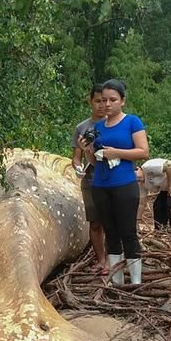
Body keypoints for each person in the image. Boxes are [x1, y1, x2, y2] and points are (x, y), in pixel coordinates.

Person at [79, 79, 149, 284]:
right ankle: (117, 280)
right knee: (110, 232)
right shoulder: (99, 126)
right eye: (103, 100)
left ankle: (136, 281)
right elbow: (94, 161)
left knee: (128, 231)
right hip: (100, 184)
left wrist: (116, 152)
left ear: (122, 101)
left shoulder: (132, 122)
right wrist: (87, 150)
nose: (107, 104)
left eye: (112, 100)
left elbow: (143, 151)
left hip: (124, 183)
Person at [71, 84, 108, 274]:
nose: (102, 105)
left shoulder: (115, 123)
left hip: (112, 176)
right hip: (92, 176)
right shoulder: (82, 127)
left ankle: (113, 259)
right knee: (95, 222)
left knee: (113, 220)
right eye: (98, 101)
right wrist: (78, 168)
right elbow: (76, 157)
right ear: (90, 101)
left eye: (106, 101)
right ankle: (101, 260)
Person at [140, 158, 171, 230]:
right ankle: (160, 230)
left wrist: (170, 185)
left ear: (138, 168)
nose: (137, 179)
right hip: (166, 185)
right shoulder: (141, 183)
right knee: (158, 205)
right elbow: (141, 203)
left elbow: (169, 165)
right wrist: (137, 221)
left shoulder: (147, 167)